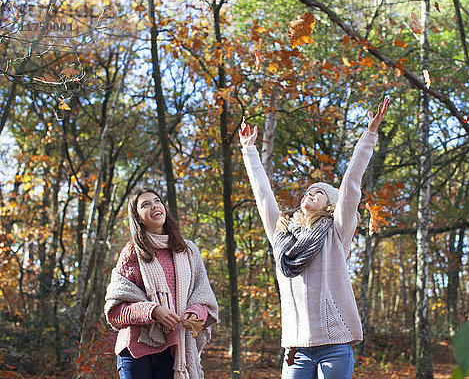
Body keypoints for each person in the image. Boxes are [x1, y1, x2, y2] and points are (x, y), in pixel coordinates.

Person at [239, 96, 390, 378]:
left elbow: (350, 186)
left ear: (330, 205)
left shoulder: (336, 232)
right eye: (309, 189)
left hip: (335, 344)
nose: (311, 192)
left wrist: (370, 135)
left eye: (319, 191)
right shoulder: (282, 233)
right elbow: (263, 197)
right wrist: (249, 151)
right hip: (295, 348)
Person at [104, 188, 218, 379]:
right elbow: (115, 310)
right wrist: (153, 311)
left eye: (157, 201)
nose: (154, 206)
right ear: (138, 217)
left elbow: (205, 299)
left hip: (175, 347)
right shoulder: (132, 253)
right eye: (145, 204)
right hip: (135, 348)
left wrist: (195, 313)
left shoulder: (188, 250)